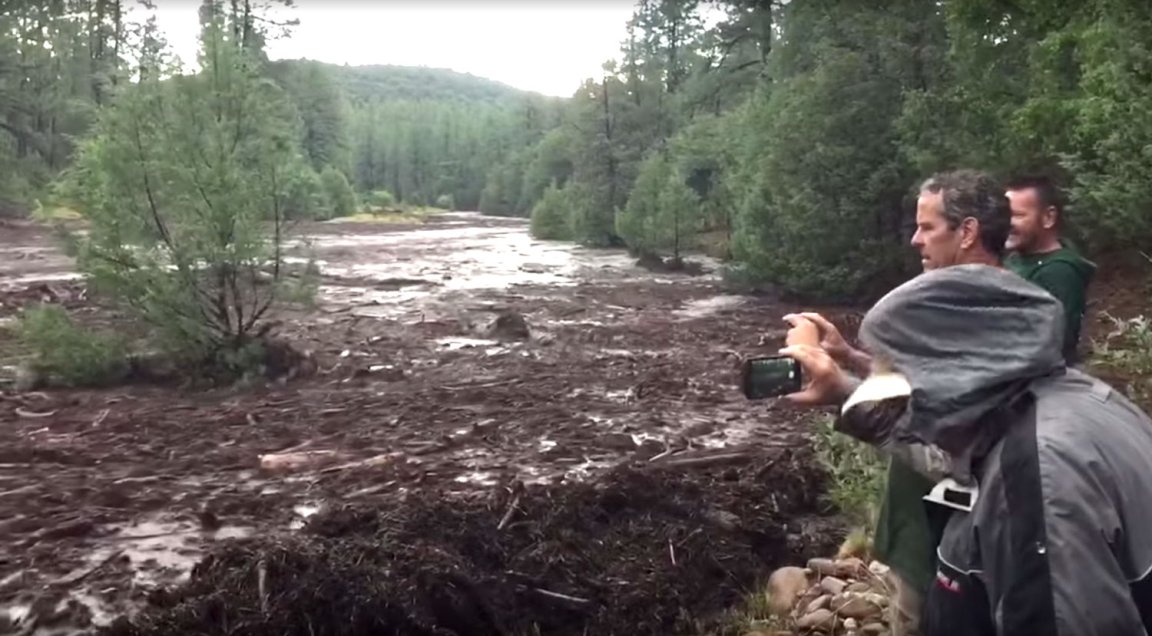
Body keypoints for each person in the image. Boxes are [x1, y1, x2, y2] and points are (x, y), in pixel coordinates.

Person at [780, 264, 1152, 635]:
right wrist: (844, 389)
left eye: (892, 371)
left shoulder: (1041, 476)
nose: (885, 386)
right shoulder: (1060, 399)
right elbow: (949, 451)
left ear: (950, 371)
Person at [785, 169, 1013, 635]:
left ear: (967, 231)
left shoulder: (992, 322)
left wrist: (841, 391)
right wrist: (850, 357)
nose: (914, 239)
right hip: (920, 532)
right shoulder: (985, 308)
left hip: (949, 552)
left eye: (927, 227)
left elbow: (957, 453)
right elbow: (926, 391)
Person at [1005, 175, 1096, 364]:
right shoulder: (1016, 258)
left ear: (1048, 217)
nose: (1008, 223)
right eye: (1005, 215)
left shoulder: (1059, 273)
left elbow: (1055, 343)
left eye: (1018, 215)